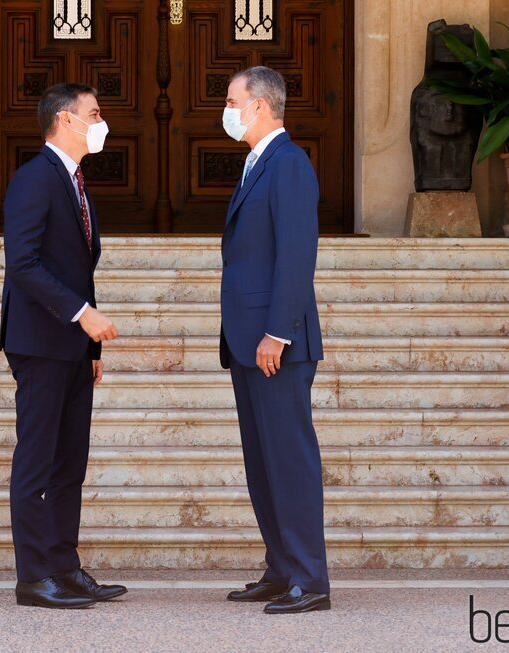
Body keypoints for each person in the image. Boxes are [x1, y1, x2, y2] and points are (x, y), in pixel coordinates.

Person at [0, 82, 127, 609]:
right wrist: (83, 316)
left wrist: (91, 348)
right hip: (40, 340)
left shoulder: (74, 181)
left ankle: (64, 564)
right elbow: (23, 263)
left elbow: (79, 268)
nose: (101, 123)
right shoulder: (34, 179)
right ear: (65, 120)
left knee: (70, 462)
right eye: (94, 114)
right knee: (36, 461)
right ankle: (34, 577)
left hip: (74, 348)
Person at [218, 66, 331, 614]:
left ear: (259, 106)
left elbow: (296, 257)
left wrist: (276, 333)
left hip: (274, 344)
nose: (228, 108)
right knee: (263, 463)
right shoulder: (256, 164)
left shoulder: (288, 164)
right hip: (247, 342)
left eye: (232, 100)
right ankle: (280, 567)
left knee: (289, 461)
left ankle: (310, 581)